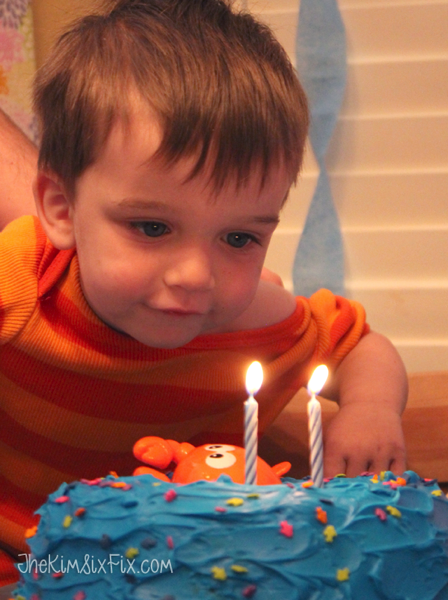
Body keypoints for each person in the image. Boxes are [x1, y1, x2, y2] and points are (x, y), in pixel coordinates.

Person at [0, 0, 407, 587]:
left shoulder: (259, 321)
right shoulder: (23, 280)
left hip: (198, 571)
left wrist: (371, 408)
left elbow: (359, 346)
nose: (196, 274)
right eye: (152, 227)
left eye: (238, 237)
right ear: (61, 209)